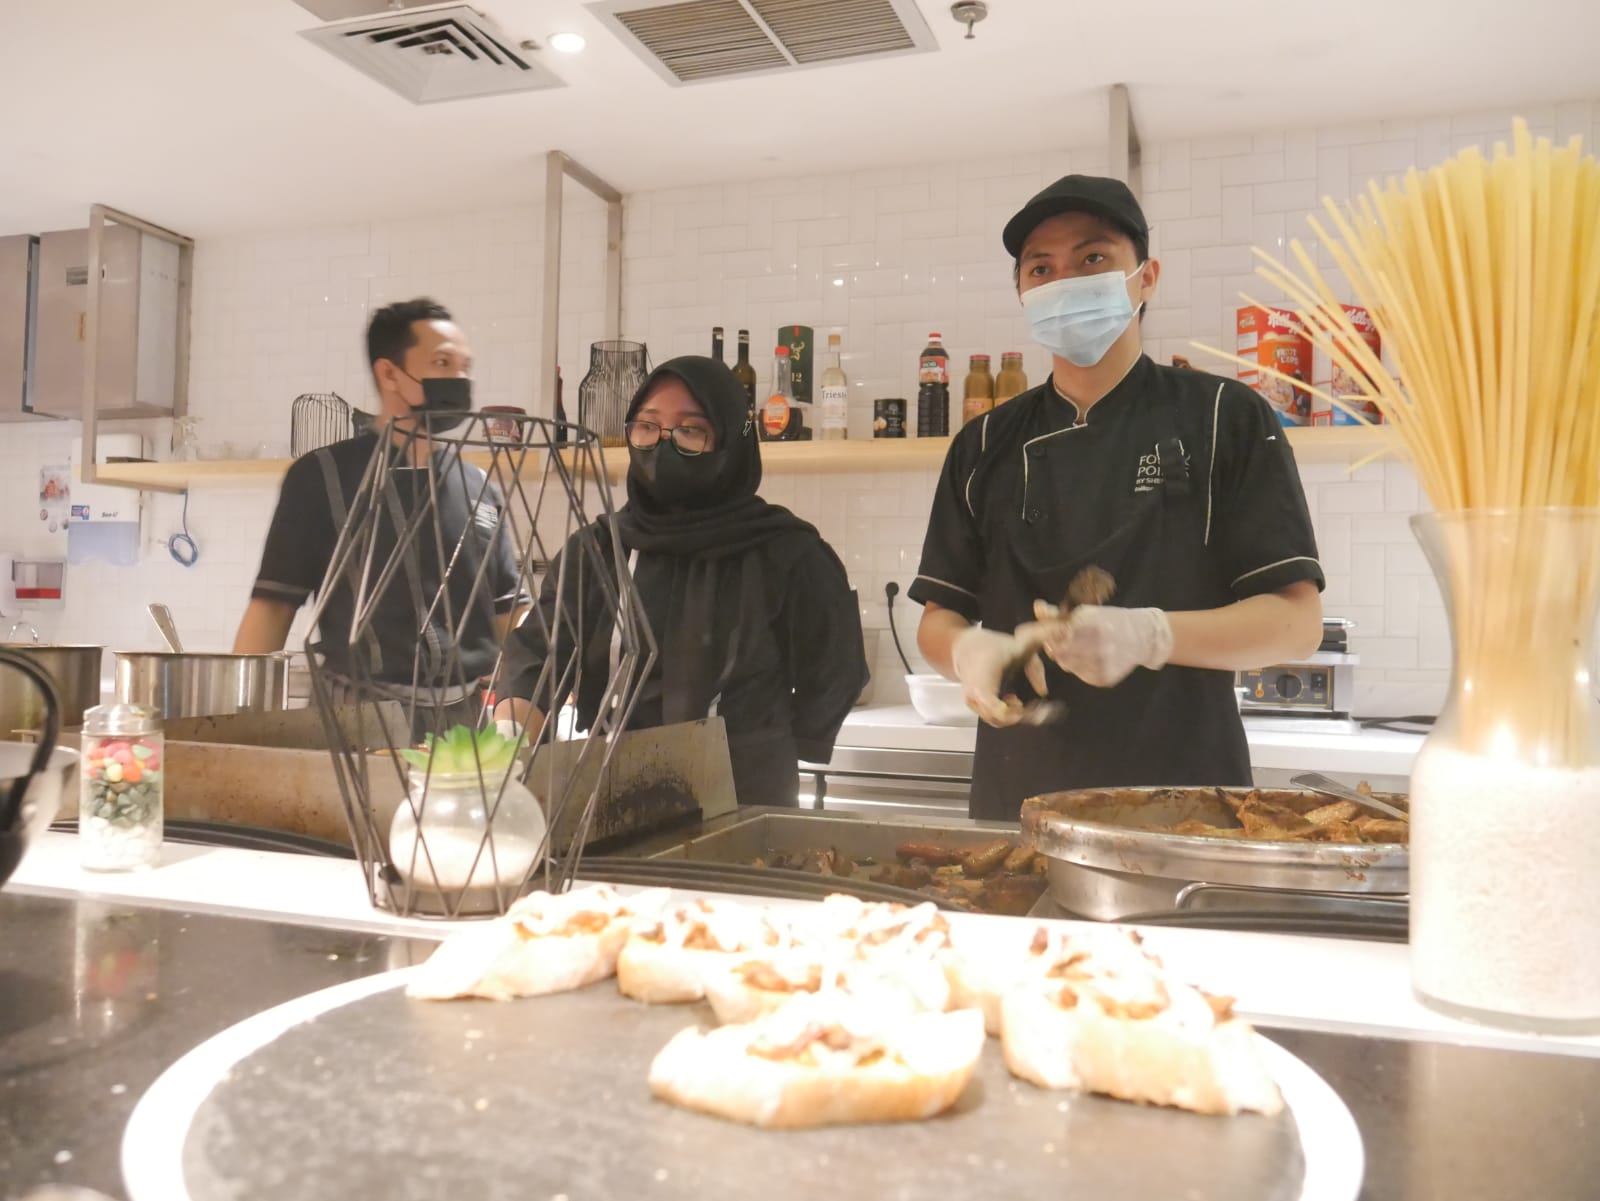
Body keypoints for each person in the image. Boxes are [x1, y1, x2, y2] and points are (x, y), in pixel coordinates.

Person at [909, 175, 1324, 821]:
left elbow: (1297, 624)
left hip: (1186, 805)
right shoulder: (983, 442)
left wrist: (1150, 635)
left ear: (1146, 277)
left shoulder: (1225, 416)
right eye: (1041, 268)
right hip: (1017, 804)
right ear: (1022, 293)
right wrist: (967, 651)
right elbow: (939, 619)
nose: (1064, 281)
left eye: (1093, 258)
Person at [498, 355, 867, 806]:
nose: (663, 444)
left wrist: (774, 743)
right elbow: (538, 656)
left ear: (730, 442)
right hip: (613, 799)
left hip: (747, 804)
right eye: (647, 426)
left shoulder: (786, 551)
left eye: (690, 430)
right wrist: (508, 744)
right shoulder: (597, 551)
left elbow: (836, 666)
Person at [234, 298, 526, 719]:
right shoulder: (322, 477)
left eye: (465, 367)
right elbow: (272, 608)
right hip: (357, 719)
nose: (459, 380)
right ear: (389, 373)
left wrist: (532, 696)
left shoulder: (479, 488)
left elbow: (509, 614)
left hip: (465, 723)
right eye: (442, 363)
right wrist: (241, 720)